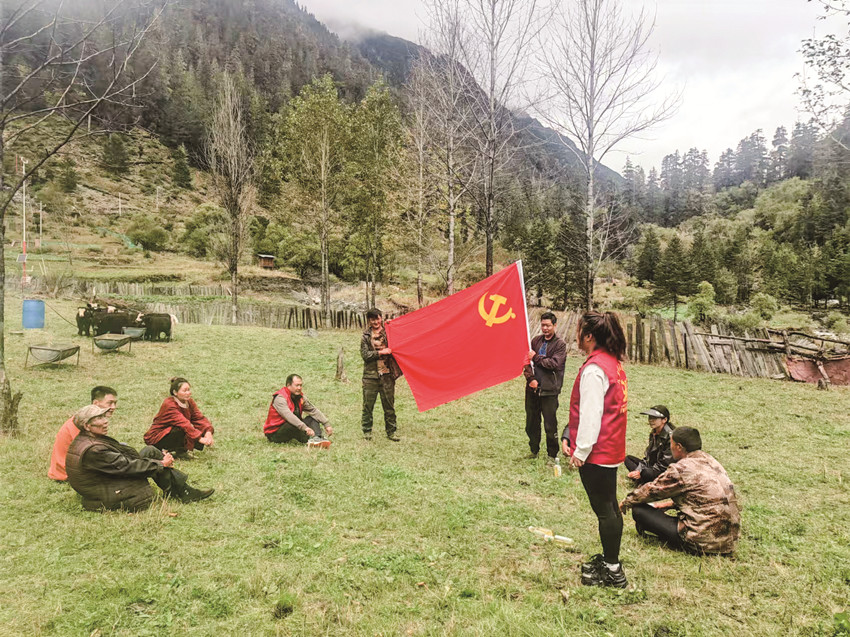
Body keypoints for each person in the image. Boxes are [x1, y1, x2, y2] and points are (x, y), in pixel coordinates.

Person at [561, 311, 629, 588]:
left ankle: (613, 570)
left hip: (598, 451)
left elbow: (592, 414)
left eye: (579, 331)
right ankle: (610, 560)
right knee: (610, 506)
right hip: (611, 446)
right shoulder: (612, 363)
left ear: (588, 336)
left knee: (605, 510)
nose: (576, 336)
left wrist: (581, 451)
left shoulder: (594, 369)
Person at [65, 404, 213, 511]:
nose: (105, 421)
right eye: (99, 418)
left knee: (150, 451)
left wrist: (156, 462)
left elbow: (121, 462)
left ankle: (180, 490)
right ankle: (182, 491)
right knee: (144, 492)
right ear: (87, 426)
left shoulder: (87, 439)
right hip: (103, 489)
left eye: (104, 416)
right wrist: (160, 464)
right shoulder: (94, 449)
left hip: (106, 478)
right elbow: (126, 467)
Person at [620, 426, 741, 555]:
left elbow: (652, 491)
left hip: (702, 541)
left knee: (639, 510)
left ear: (678, 447)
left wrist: (627, 501)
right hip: (730, 540)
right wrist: (666, 505)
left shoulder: (682, 468)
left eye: (671, 444)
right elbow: (704, 498)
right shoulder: (713, 462)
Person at [523, 312, 567, 465]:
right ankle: (533, 450)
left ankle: (552, 455)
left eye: (548, 325)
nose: (545, 328)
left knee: (550, 424)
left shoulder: (560, 345)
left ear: (555, 325)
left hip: (549, 390)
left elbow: (554, 364)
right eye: (543, 325)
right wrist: (531, 379)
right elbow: (526, 363)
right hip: (533, 390)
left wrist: (535, 357)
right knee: (531, 422)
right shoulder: (535, 341)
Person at [48, 386, 118, 481]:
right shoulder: (81, 423)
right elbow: (89, 453)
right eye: (110, 403)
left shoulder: (86, 419)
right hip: (68, 473)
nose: (113, 407)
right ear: (96, 403)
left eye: (115, 403)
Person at [360, 307, 403, 441]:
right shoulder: (365, 336)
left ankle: (391, 432)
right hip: (370, 376)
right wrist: (380, 352)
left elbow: (401, 336)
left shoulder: (388, 332)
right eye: (372, 319)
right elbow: (365, 355)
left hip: (387, 375)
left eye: (377, 319)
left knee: (389, 406)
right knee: (368, 405)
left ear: (381, 318)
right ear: (369, 321)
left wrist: (393, 326)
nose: (375, 322)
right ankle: (367, 431)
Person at [144, 377, 214, 456]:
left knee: (199, 426)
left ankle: (181, 450)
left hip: (176, 429)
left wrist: (208, 432)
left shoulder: (189, 402)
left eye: (189, 390)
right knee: (182, 429)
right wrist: (200, 439)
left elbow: (199, 418)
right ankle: (163, 450)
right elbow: (184, 423)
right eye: (185, 391)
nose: (188, 393)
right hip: (158, 437)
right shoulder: (169, 404)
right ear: (175, 392)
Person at [264, 374, 334, 448]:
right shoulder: (280, 398)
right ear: (288, 385)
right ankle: (310, 439)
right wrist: (305, 428)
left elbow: (313, 410)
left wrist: (326, 424)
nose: (299, 388)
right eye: (297, 385)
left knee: (312, 418)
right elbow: (289, 416)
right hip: (275, 433)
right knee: (292, 424)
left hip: (293, 425)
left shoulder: (300, 397)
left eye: (301, 385)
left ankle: (317, 437)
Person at [624, 405, 676, 485]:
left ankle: (642, 479)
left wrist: (641, 472)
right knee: (628, 459)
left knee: (646, 473)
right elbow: (649, 457)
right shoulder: (654, 433)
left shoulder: (671, 437)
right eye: (650, 417)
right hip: (652, 466)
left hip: (664, 470)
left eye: (654, 418)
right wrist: (640, 470)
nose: (651, 420)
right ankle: (642, 478)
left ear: (664, 420)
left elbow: (665, 465)